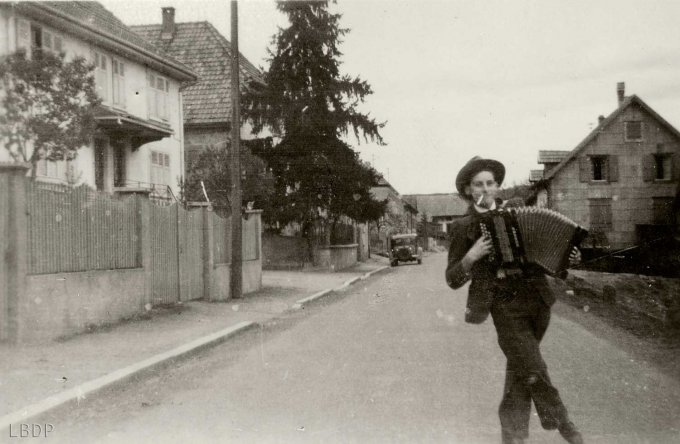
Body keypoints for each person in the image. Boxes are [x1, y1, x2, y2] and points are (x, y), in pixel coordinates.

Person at [445, 156, 584, 444]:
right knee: (532, 368)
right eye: (477, 184)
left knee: (521, 371)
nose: (484, 189)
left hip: (538, 302)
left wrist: (568, 257)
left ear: (497, 187)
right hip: (503, 306)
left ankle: (513, 439)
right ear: (468, 190)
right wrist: (470, 257)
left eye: (490, 183)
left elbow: (545, 255)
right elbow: (452, 279)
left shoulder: (517, 212)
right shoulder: (463, 227)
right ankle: (564, 424)